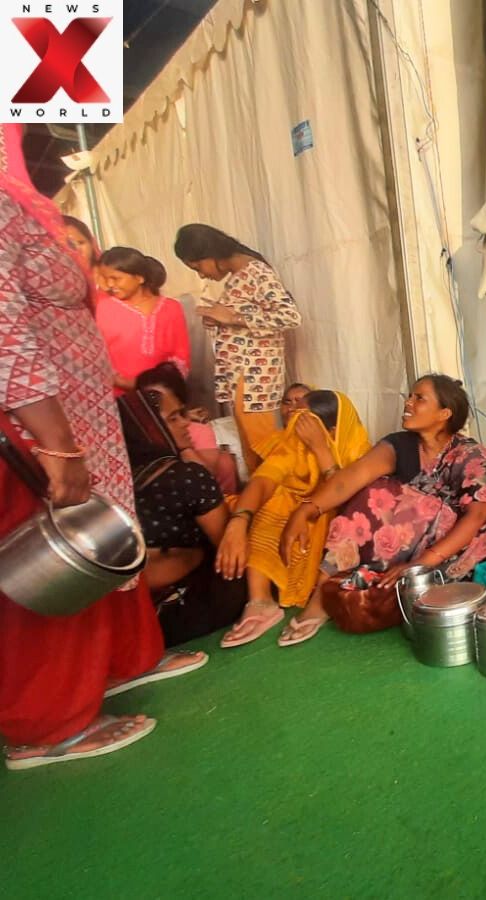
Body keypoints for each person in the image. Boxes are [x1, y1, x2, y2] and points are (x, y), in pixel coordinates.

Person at [0, 124, 203, 770]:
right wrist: (56, 444)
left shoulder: (20, 191)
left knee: (104, 543)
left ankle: (120, 664)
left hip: (77, 416)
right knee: (52, 560)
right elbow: (5, 331)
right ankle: (47, 722)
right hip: (36, 427)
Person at [277, 375, 486, 645]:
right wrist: (306, 511)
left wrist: (421, 564)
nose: (408, 402)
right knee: (377, 491)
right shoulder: (398, 444)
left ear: (444, 413)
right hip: (399, 548)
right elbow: (351, 478)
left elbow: (477, 515)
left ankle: (416, 584)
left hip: (448, 548)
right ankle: (323, 596)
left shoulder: (470, 454)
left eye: (419, 398)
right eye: (410, 395)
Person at [215, 390, 371, 648]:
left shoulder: (362, 452)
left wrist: (321, 450)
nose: (295, 426)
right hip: (298, 516)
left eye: (306, 421)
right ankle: (260, 600)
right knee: (275, 499)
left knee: (347, 518)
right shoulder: (292, 444)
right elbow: (264, 480)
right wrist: (239, 522)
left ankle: (320, 600)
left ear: (332, 430)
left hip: (333, 518)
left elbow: (347, 501)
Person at [119, 390, 246, 646]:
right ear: (149, 428)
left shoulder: (115, 477)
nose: (186, 422)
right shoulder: (187, 477)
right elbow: (227, 548)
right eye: (174, 418)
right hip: (180, 609)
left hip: (126, 617)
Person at [173, 223, 302, 471]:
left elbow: (290, 316)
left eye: (197, 267)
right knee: (253, 450)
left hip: (255, 380)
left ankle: (280, 501)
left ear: (209, 253)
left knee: (264, 449)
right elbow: (245, 317)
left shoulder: (255, 271)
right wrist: (220, 317)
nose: (201, 275)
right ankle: (262, 501)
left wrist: (231, 317)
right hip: (245, 379)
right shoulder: (241, 275)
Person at [95, 246, 190, 391]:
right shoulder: (103, 308)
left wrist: (160, 385)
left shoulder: (171, 307)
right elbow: (97, 353)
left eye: (116, 278)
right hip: (118, 394)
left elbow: (181, 354)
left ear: (140, 277)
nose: (110, 285)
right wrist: (121, 382)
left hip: (164, 394)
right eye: (106, 279)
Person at [136, 363, 238, 495]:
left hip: (204, 503)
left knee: (225, 461)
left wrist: (184, 447)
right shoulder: (138, 437)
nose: (183, 423)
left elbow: (205, 481)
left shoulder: (196, 432)